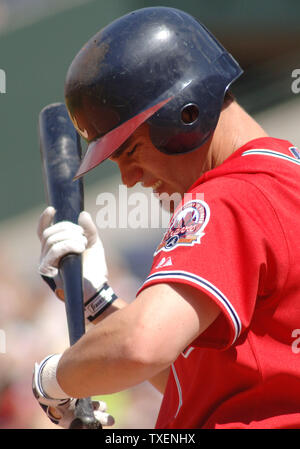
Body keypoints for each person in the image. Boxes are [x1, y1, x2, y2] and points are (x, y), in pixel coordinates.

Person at [33, 6, 300, 429]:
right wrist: (95, 299)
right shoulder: (281, 174)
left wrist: (50, 378)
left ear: (186, 113)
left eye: (131, 151)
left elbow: (140, 346)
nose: (129, 179)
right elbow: (204, 379)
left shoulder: (231, 193)